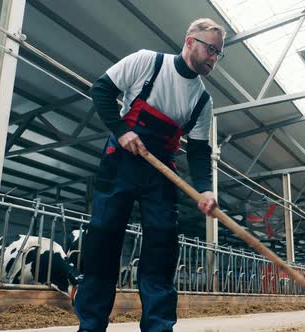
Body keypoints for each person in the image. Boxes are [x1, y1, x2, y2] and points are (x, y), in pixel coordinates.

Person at [74, 18, 225, 332]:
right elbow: (101, 90)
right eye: (211, 49)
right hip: (121, 161)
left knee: (162, 247)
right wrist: (122, 131)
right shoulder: (147, 62)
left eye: (218, 53)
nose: (214, 58)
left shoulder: (202, 101)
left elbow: (198, 152)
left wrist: (206, 189)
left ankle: (158, 326)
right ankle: (90, 325)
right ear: (190, 41)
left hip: (160, 173)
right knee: (102, 241)